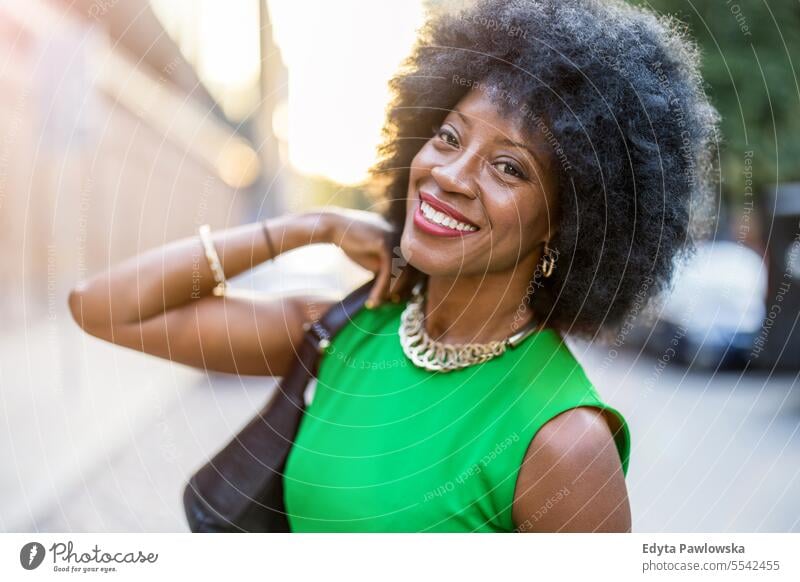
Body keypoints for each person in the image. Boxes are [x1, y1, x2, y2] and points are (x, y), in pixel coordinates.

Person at [68, 0, 719, 532]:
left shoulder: (562, 443)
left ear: (568, 221)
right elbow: (101, 307)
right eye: (450, 135)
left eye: (509, 167)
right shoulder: (351, 331)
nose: (450, 176)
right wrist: (304, 228)